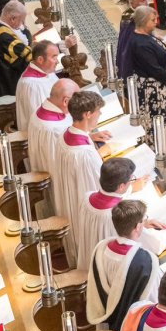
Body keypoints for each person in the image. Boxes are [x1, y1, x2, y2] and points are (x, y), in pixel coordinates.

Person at [54, 90, 112, 262]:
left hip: (71, 197)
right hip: (86, 209)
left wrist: (91, 136)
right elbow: (100, 186)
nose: (100, 115)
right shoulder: (85, 153)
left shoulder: (65, 135)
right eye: (98, 111)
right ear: (87, 114)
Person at [86, 199, 161, 331]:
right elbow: (153, 300)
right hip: (133, 329)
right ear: (138, 227)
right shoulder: (146, 261)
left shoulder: (101, 248)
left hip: (106, 324)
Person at [72, 157, 137, 275]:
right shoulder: (117, 213)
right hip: (106, 269)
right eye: (131, 180)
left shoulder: (86, 197)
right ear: (121, 186)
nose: (132, 182)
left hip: (87, 258)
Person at [131, 5, 166, 128]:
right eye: (152, 20)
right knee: (157, 119)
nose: (156, 22)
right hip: (152, 90)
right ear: (143, 22)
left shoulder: (148, 35)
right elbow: (154, 70)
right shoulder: (141, 45)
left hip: (160, 86)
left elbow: (163, 51)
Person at [27, 79, 76, 180]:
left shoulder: (40, 110)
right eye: (77, 99)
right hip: (59, 178)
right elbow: (66, 163)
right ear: (65, 101)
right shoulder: (53, 129)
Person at [0, 0, 33, 96]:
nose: (21, 24)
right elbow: (28, 58)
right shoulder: (6, 39)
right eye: (21, 20)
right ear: (12, 19)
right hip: (11, 86)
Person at [15, 39, 64, 127]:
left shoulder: (47, 71)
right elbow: (42, 120)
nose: (57, 61)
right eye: (54, 57)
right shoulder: (31, 85)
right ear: (40, 60)